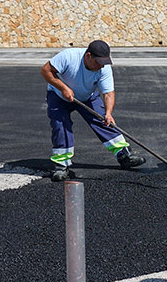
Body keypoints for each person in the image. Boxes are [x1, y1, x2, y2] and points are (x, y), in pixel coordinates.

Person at [40, 40, 146, 182]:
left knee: (104, 120)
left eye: (104, 62)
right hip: (59, 96)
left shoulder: (104, 68)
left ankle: (123, 154)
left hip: (87, 96)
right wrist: (63, 88)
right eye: (98, 62)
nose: (101, 65)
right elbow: (45, 70)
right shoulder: (69, 56)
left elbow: (108, 93)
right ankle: (61, 165)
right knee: (61, 125)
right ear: (88, 56)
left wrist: (108, 113)